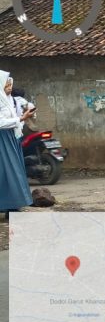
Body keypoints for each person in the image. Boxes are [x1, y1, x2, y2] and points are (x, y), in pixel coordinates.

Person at [0, 70, 33, 217]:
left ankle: (11, 205)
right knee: (8, 172)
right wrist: (20, 119)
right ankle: (9, 205)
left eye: (10, 83)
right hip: (3, 139)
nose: (9, 86)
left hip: (11, 137)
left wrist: (21, 119)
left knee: (11, 172)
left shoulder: (7, 100)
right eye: (6, 83)